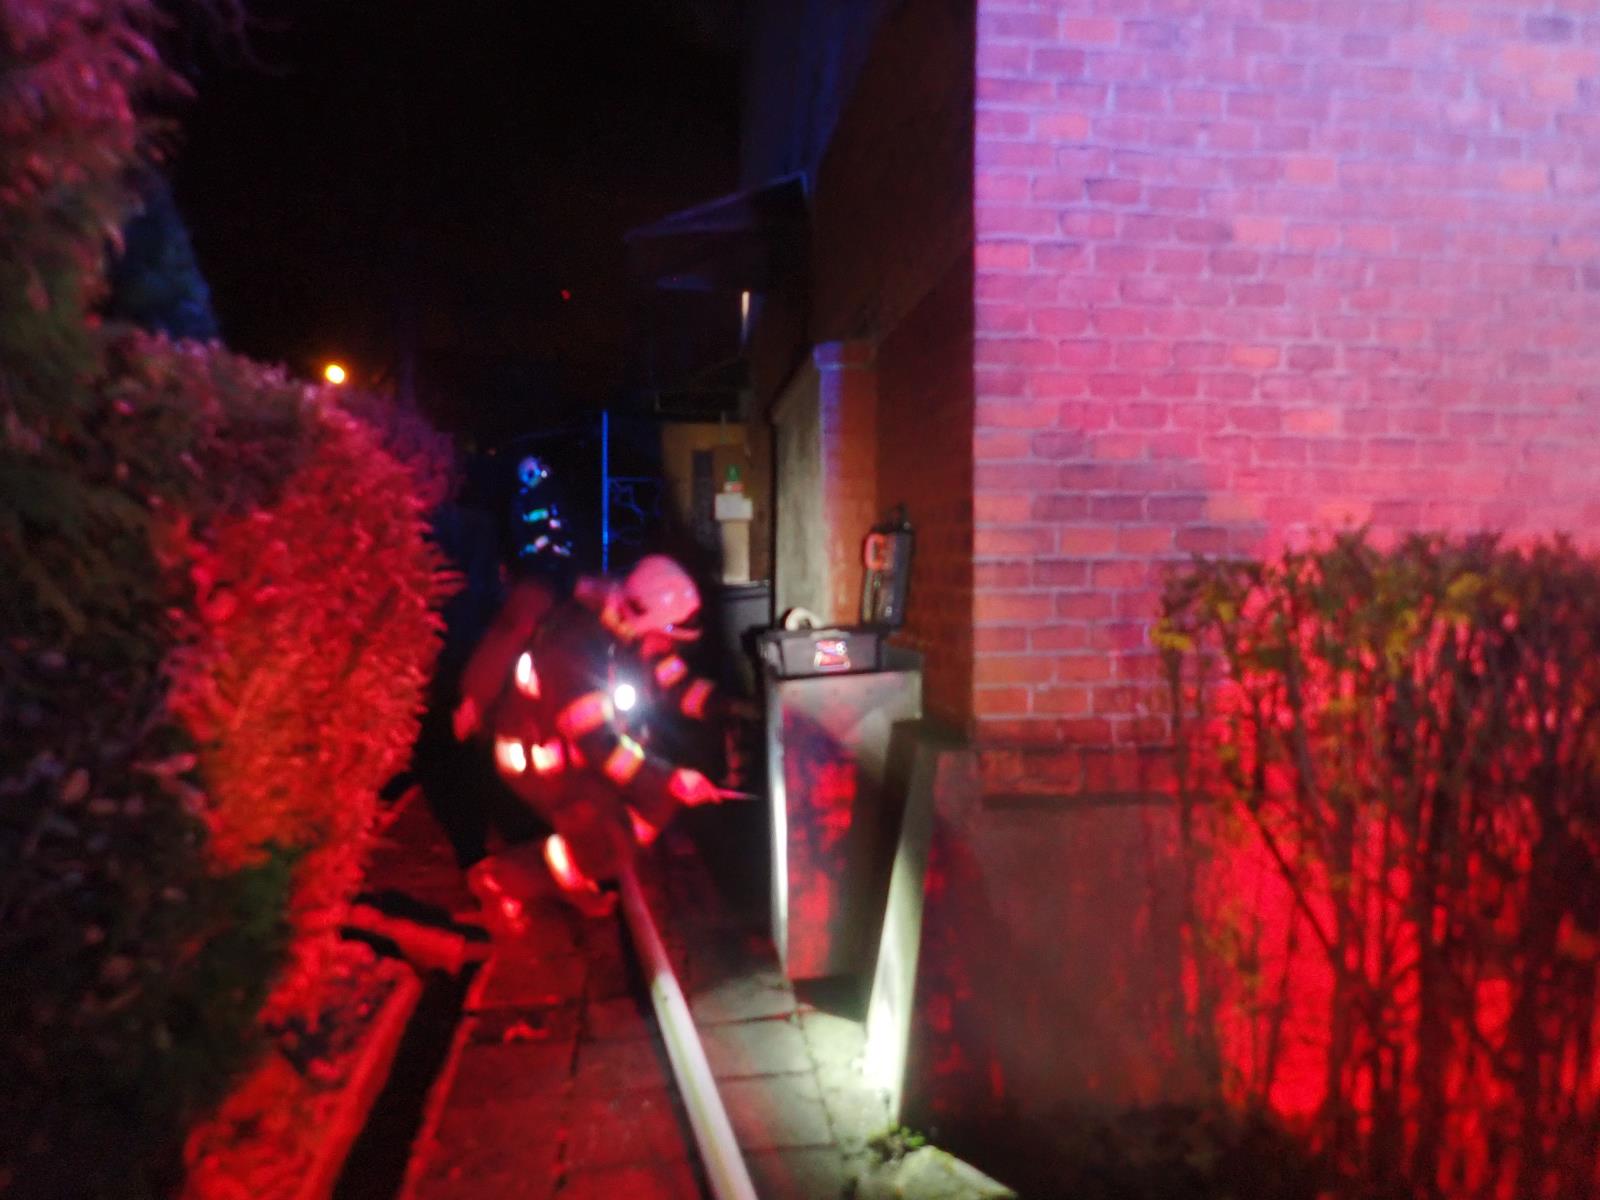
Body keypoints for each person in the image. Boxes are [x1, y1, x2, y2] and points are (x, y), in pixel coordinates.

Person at [453, 554, 734, 919]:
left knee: (656, 802)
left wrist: (731, 707)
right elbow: (599, 744)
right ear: (642, 620)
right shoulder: (574, 648)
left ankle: (576, 869)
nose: (668, 648)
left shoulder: (629, 630)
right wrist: (670, 779)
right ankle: (500, 878)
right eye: (665, 638)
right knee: (608, 846)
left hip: (579, 750)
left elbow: (674, 683)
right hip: (542, 760)